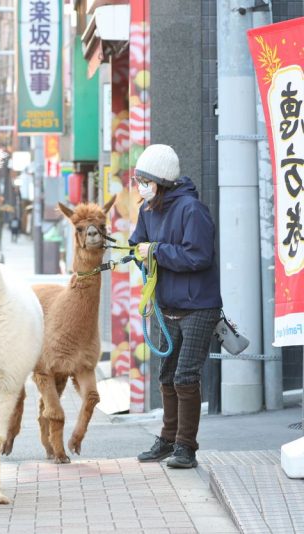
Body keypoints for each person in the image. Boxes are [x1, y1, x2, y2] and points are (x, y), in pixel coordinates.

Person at [129, 144, 222, 469]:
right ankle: (167, 440)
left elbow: (198, 257)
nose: (140, 185)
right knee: (167, 376)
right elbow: (137, 241)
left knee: (185, 376)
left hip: (199, 306)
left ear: (162, 180)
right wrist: (134, 250)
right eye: (138, 178)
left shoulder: (191, 209)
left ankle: (186, 447)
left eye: (145, 179)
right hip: (167, 304)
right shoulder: (147, 209)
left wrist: (155, 251)